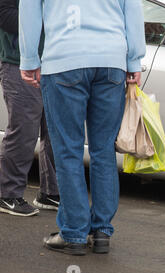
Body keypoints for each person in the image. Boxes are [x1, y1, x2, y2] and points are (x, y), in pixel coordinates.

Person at [19, 0, 146, 255]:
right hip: (111, 62)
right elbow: (132, 9)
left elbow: (29, 9)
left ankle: (74, 233)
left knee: (68, 151)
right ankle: (101, 231)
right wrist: (134, 61)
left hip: (64, 60)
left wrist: (29, 58)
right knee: (103, 152)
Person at [0, 0, 59, 217]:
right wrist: (48, 20)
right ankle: (7, 195)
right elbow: (4, 14)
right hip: (19, 61)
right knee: (24, 130)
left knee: (55, 131)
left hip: (55, 62)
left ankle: (50, 193)